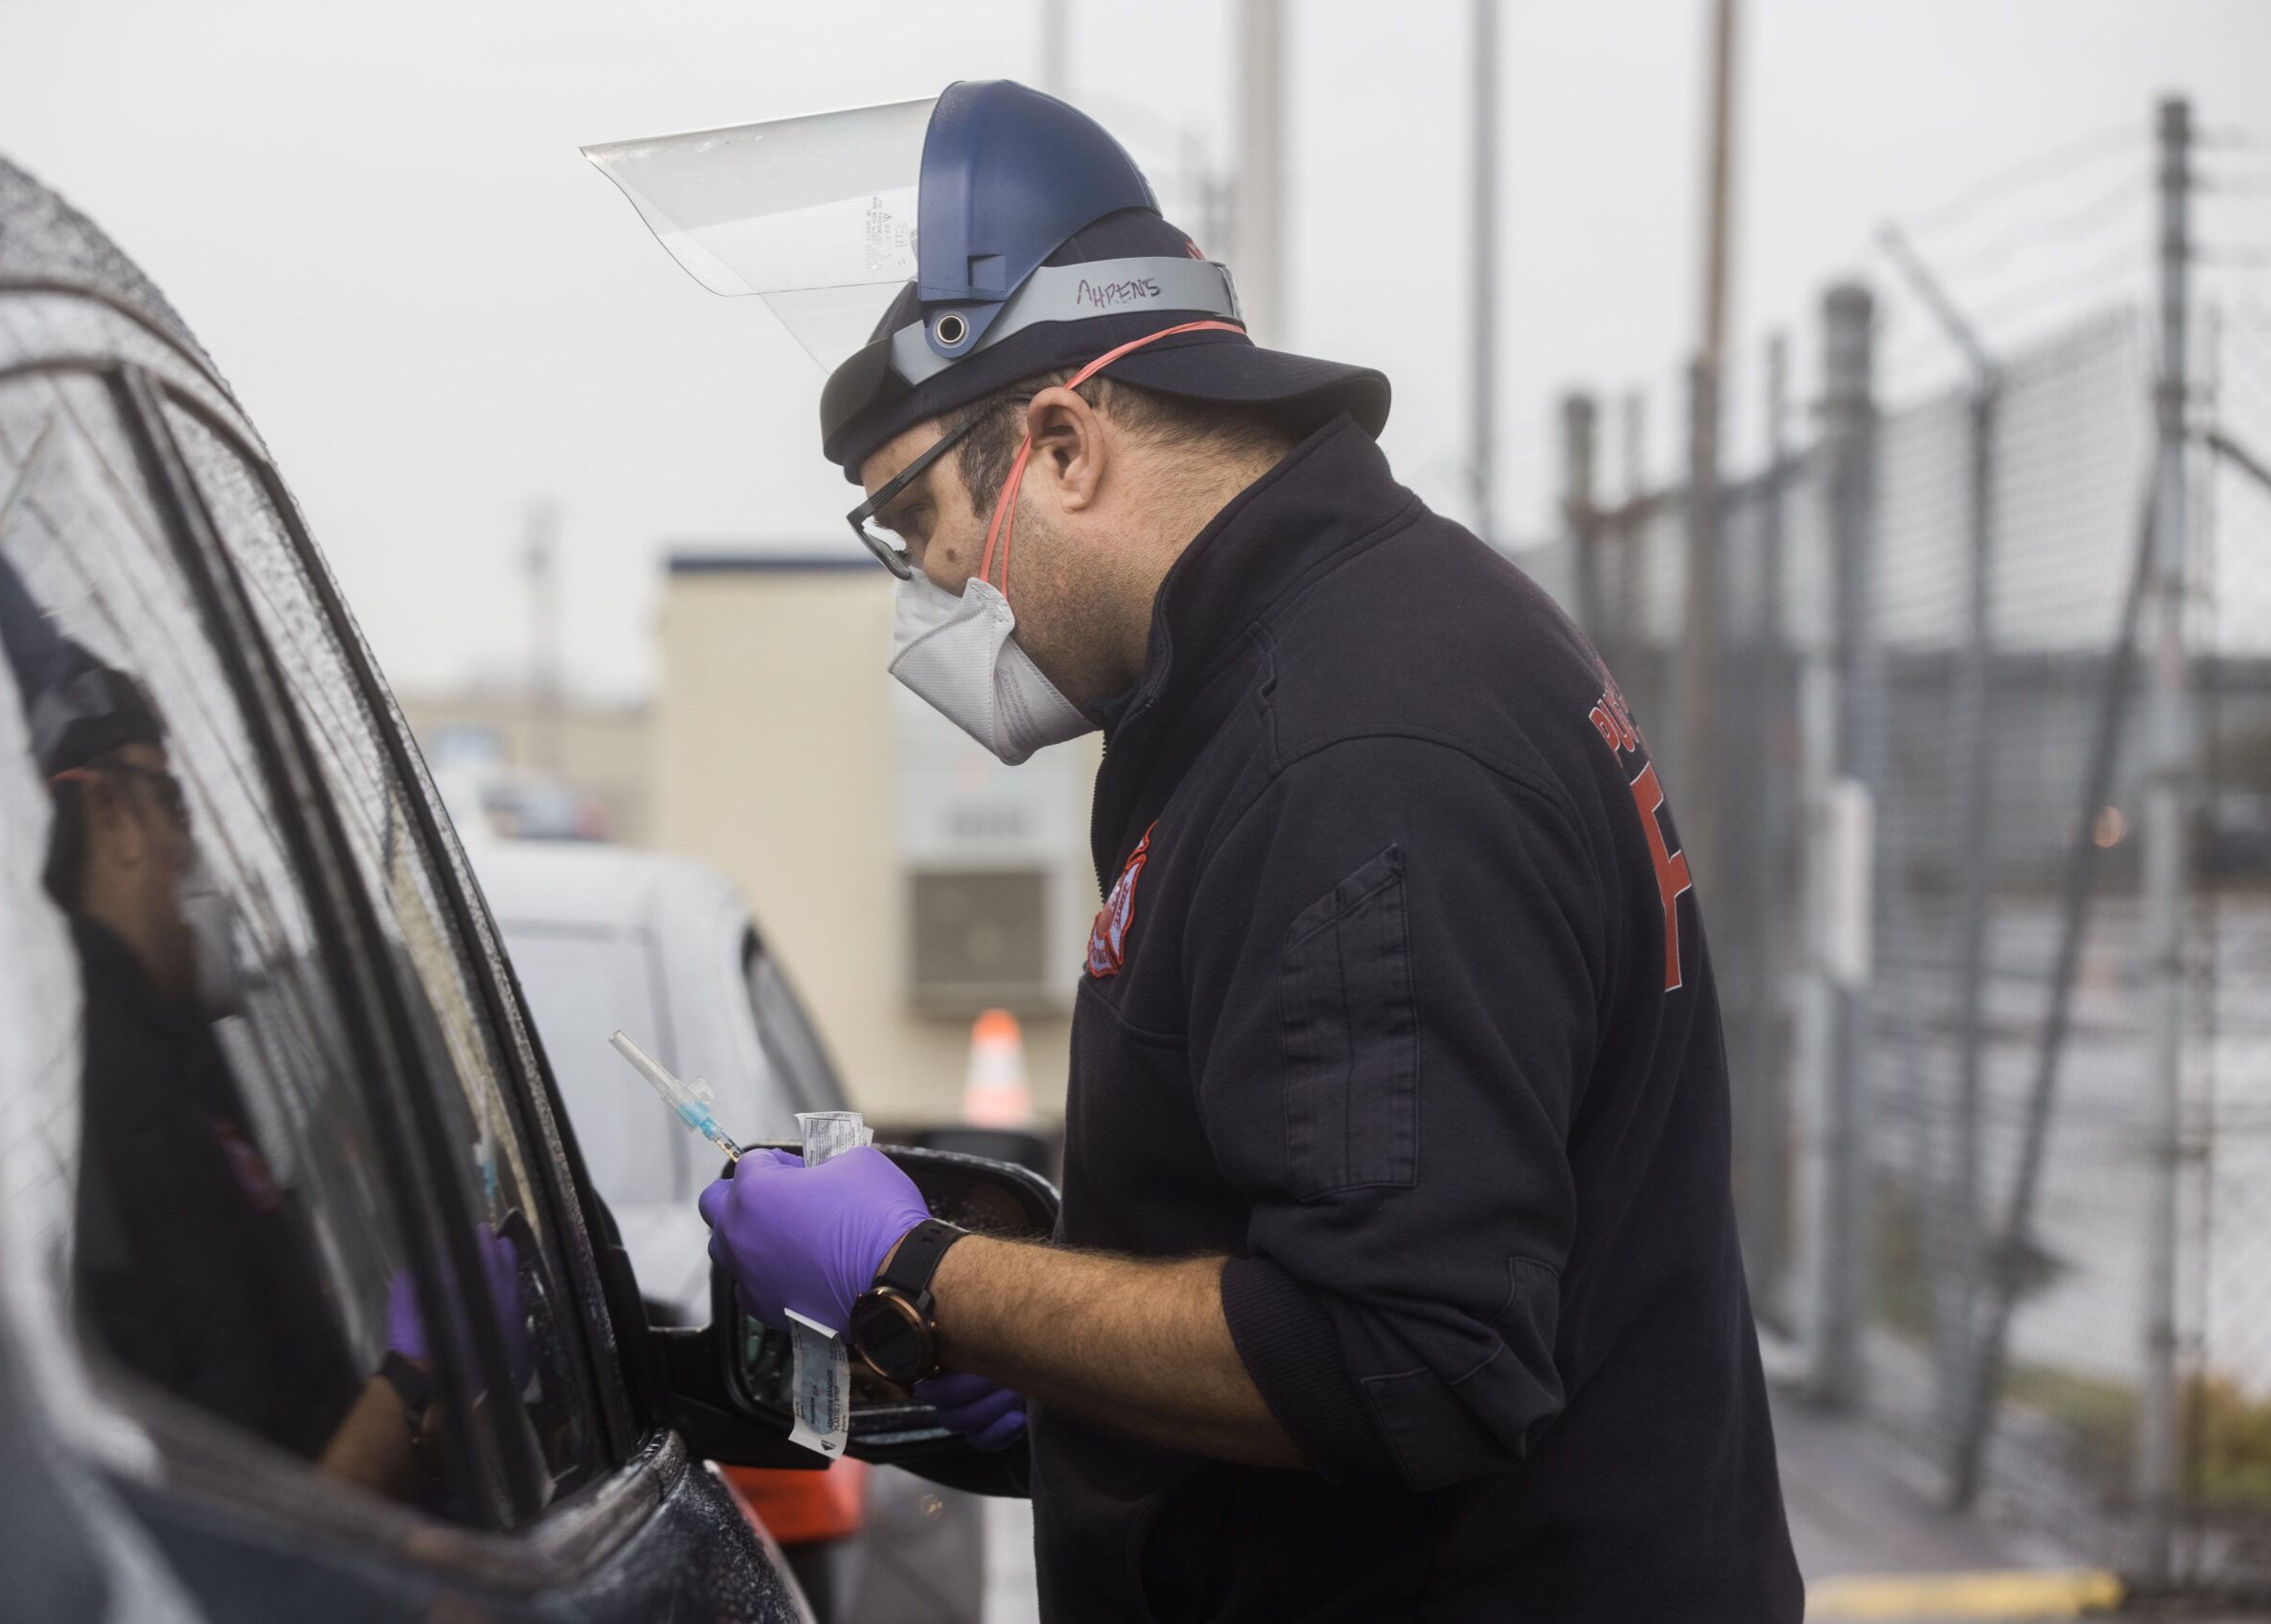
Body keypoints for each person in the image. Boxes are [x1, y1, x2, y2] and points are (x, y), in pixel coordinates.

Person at [628, 82, 1801, 1620]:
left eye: (918, 522)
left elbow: (1406, 1360)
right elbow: (1304, 1248)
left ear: (1060, 443)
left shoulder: (1359, 745)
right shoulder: (1319, 666)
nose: (923, 591)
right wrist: (1058, 1381)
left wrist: (926, 1277)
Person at [0, 536, 517, 1505]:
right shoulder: (110, 1089)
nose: (195, 847)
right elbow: (258, 1518)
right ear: (111, 820)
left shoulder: (150, 1045)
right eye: (174, 801)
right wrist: (418, 1366)